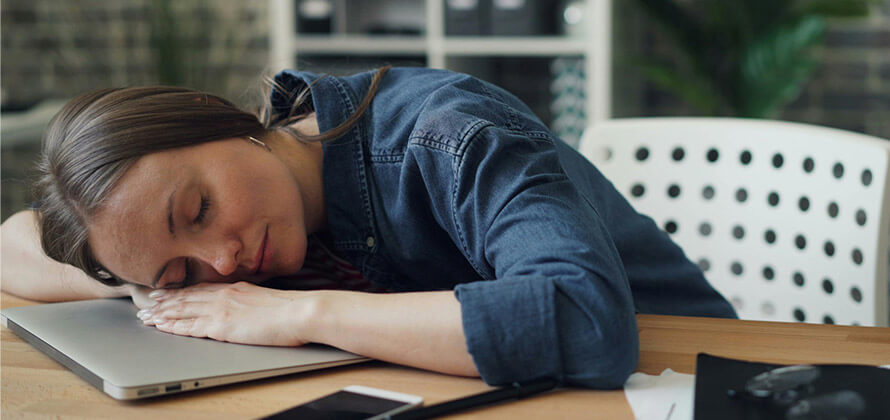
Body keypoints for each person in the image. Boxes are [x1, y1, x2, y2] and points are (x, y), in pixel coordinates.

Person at [0, 66, 737, 390]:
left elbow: (582, 322)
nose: (223, 260)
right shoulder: (223, 247)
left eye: (196, 211)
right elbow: (11, 241)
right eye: (185, 271)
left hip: (695, 381)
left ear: (214, 111)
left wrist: (295, 312)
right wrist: (146, 286)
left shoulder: (451, 136)